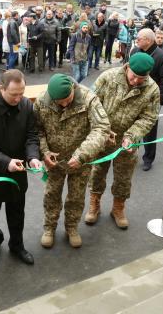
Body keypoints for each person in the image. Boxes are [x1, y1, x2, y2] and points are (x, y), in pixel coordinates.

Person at [34, 74, 110, 248]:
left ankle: (72, 228)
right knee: (51, 195)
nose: (64, 105)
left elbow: (102, 127)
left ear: (73, 89)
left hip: (81, 161)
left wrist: (82, 154)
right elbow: (36, 130)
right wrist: (44, 152)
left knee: (76, 196)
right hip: (55, 161)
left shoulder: (88, 98)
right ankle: (49, 228)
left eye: (67, 100)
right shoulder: (41, 102)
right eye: (59, 102)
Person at [85, 53, 159, 229]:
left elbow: (148, 118)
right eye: (133, 76)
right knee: (97, 171)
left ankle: (118, 208)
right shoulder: (108, 77)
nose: (135, 81)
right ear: (127, 67)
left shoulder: (152, 89)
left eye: (141, 79)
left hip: (128, 141)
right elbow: (91, 103)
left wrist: (131, 136)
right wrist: (101, 128)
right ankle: (94, 205)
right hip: (102, 135)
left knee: (124, 177)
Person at [0, 69, 40, 264]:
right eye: (14, 94)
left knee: (17, 212)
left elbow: (32, 136)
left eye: (22, 93)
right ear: (1, 88)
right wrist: (5, 162)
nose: (19, 98)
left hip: (18, 170)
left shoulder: (27, 105)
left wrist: (33, 157)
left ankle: (17, 245)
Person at [129, 29, 163, 171]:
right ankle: (130, 152)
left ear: (148, 40)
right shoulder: (135, 51)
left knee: (150, 130)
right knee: (132, 126)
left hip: (151, 100)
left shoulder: (162, 56)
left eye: (139, 38)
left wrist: (159, 101)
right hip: (133, 96)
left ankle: (148, 158)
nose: (137, 40)